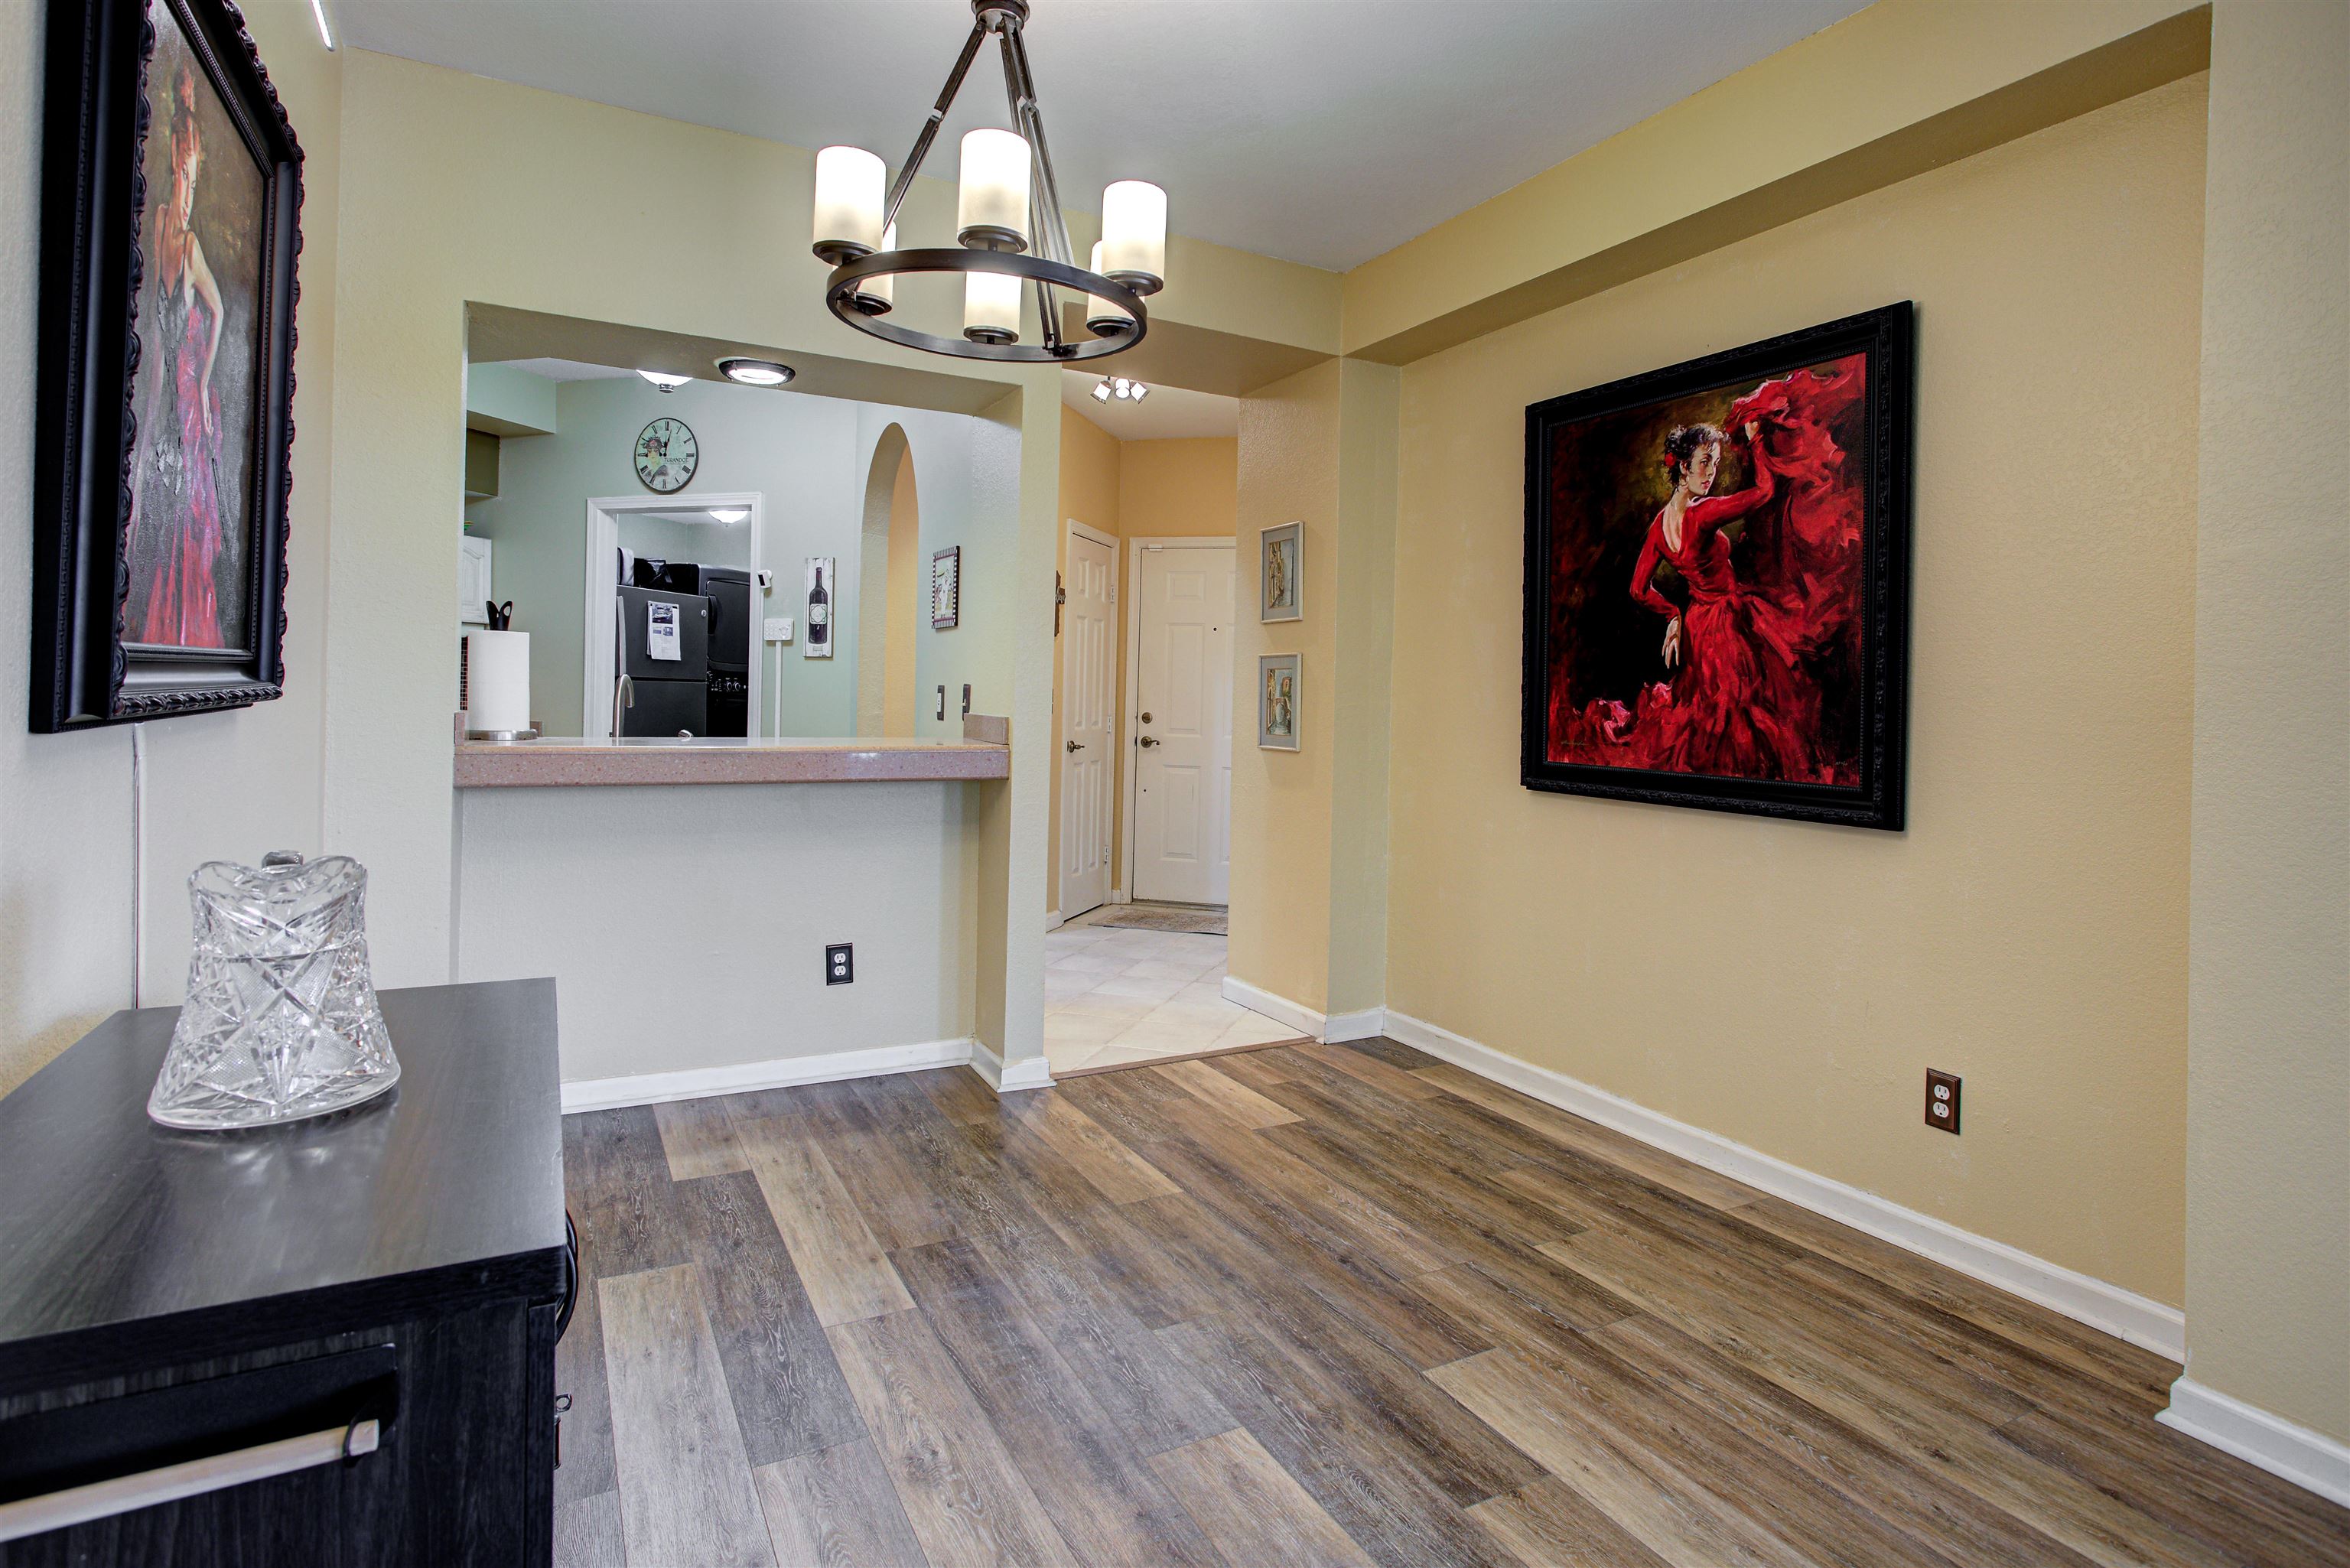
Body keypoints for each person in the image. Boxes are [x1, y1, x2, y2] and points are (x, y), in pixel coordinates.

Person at [1625, 420, 1818, 779]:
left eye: (1714, 462)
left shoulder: (1659, 527)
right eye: (1704, 462)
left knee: (1715, 710)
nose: (1712, 472)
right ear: (1684, 467)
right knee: (1739, 709)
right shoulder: (1703, 513)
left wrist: (1674, 615)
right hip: (1728, 623)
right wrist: (1755, 440)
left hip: (1698, 625)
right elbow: (1763, 492)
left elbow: (1639, 590)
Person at [135, 62, 229, 649]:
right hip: (169, 387)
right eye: (184, 176)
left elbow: (219, 312)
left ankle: (185, 631)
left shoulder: (189, 242)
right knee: (160, 509)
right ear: (176, 168)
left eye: (195, 180)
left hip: (190, 397)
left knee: (189, 526)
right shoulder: (163, 225)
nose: (188, 191)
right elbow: (153, 314)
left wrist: (202, 381)